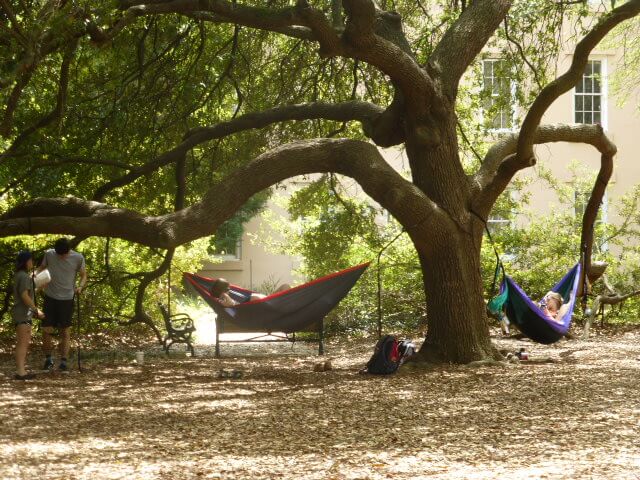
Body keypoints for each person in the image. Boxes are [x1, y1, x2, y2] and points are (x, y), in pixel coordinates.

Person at [37, 238, 87, 371]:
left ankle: (64, 361)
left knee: (65, 330)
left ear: (68, 251)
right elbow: (41, 268)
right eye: (58, 254)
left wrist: (80, 287)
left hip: (67, 299)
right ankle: (48, 359)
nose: (61, 257)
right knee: (47, 329)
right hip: (50, 297)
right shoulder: (49, 254)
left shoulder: (78, 258)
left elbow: (83, 276)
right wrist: (34, 279)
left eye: (63, 254)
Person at [12, 251, 44, 380]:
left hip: (22, 313)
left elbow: (28, 293)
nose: (32, 262)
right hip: (22, 314)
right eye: (30, 260)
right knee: (23, 343)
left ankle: (21, 370)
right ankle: (20, 372)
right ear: (25, 262)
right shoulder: (24, 276)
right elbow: (24, 296)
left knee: (23, 342)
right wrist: (36, 310)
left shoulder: (20, 275)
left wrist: (40, 287)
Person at [210, 278, 290, 307]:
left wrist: (225, 293)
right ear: (221, 291)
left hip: (267, 299)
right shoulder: (223, 300)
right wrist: (224, 294)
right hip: (267, 305)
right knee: (285, 288)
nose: (229, 290)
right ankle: (287, 307)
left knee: (285, 286)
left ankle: (288, 305)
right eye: (227, 289)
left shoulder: (227, 296)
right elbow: (231, 304)